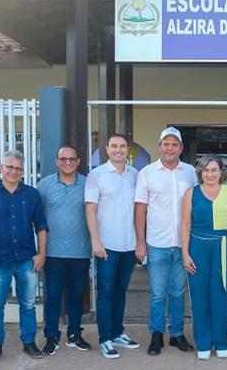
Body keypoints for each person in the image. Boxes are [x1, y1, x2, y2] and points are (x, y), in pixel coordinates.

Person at [0, 150, 47, 363]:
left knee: (28, 304)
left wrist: (41, 254)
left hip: (27, 260)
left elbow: (41, 227)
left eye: (19, 168)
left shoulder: (32, 195)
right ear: (0, 168)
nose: (14, 172)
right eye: (10, 167)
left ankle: (29, 342)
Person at [134, 127, 196, 355]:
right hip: (157, 243)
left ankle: (177, 334)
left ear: (181, 148)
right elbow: (140, 209)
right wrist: (140, 242)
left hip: (183, 244)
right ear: (159, 146)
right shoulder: (147, 173)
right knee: (158, 293)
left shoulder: (190, 172)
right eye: (166, 144)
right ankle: (157, 334)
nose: (170, 148)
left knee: (178, 293)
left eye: (174, 144)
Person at [181, 154, 227, 360]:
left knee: (221, 295)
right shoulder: (191, 193)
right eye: (206, 170)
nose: (210, 174)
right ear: (200, 172)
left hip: (224, 246)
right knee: (199, 296)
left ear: (222, 172)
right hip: (198, 246)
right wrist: (185, 254)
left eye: (214, 170)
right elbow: (185, 225)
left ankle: (220, 341)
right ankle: (202, 342)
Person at [85, 133, 141, 359]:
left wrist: (139, 241)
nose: (118, 150)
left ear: (128, 150)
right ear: (107, 149)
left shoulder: (135, 174)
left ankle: (117, 332)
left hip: (129, 244)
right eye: (114, 146)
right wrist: (96, 241)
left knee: (120, 291)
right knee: (106, 293)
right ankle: (105, 338)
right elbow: (90, 209)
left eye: (123, 146)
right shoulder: (96, 175)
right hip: (106, 245)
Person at [38, 145, 92, 356]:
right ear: (57, 161)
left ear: (78, 162)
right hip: (52, 252)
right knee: (52, 296)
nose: (67, 162)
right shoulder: (44, 186)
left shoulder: (88, 185)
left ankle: (74, 334)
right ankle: (51, 336)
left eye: (72, 159)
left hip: (80, 251)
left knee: (76, 295)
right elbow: (37, 219)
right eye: (63, 159)